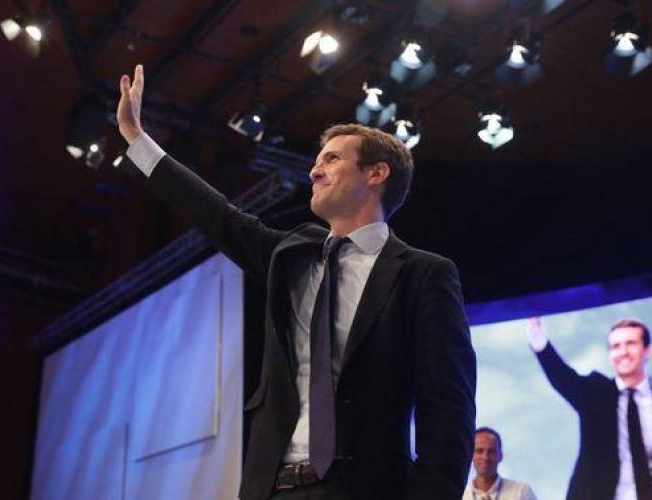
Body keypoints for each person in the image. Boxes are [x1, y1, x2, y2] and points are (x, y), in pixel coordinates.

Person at [115, 64, 476, 500]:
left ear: (376, 173)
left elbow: (448, 411)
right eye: (317, 161)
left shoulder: (423, 273)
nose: (314, 171)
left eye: (332, 159)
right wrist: (138, 139)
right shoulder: (290, 255)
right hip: (272, 489)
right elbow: (216, 215)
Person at [527, 317, 652, 500]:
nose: (623, 352)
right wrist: (535, 329)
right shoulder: (594, 394)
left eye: (631, 343)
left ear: (647, 350)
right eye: (616, 346)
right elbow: (560, 376)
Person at [462, 427, 536, 500]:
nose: (485, 457)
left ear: (500, 456)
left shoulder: (521, 492)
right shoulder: (462, 495)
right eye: (479, 451)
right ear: (471, 455)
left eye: (491, 452)